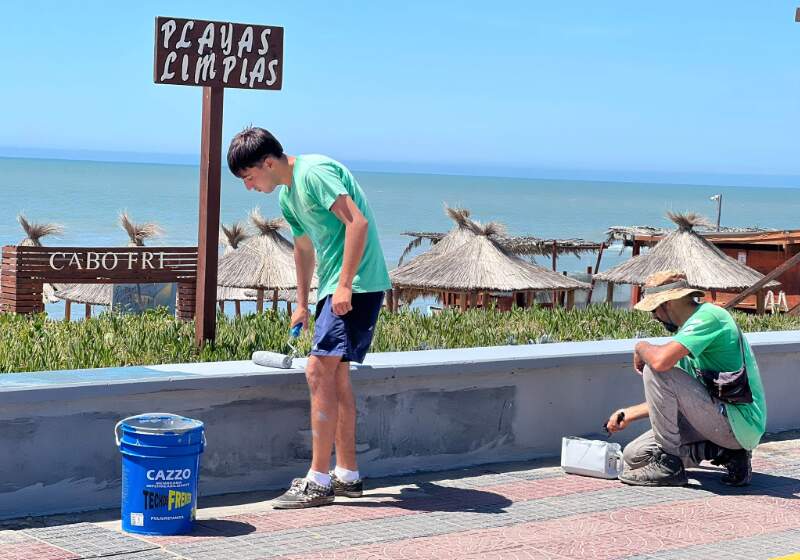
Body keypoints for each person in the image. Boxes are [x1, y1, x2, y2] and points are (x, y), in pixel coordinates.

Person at [227, 127, 391, 508]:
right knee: (335, 375)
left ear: (268, 163)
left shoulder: (313, 174)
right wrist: (302, 302)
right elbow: (303, 249)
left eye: (249, 177)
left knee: (317, 370)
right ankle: (347, 475)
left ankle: (317, 481)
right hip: (334, 286)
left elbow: (357, 223)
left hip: (357, 283)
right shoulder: (288, 196)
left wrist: (346, 286)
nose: (249, 188)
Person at [605, 270, 767, 487]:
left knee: (656, 369)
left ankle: (669, 466)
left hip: (740, 422)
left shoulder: (710, 317)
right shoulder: (687, 335)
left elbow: (661, 364)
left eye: (654, 309)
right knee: (635, 455)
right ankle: (726, 453)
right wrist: (630, 413)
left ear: (668, 303)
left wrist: (640, 347)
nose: (654, 316)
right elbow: (675, 394)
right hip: (716, 420)